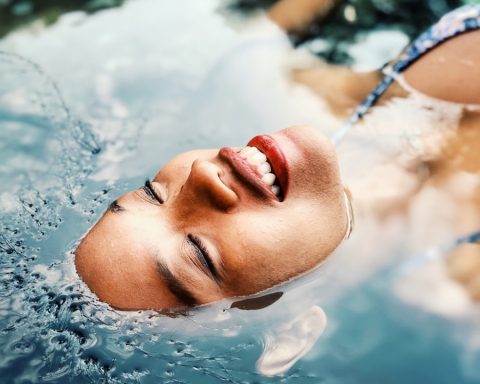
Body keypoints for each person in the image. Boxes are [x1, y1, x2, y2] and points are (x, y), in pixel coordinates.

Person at [75, 3, 480, 310]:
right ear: (295, 332)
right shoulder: (461, 288)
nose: (200, 173)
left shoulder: (262, 86)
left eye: (152, 193)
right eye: (198, 252)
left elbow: (266, 31)